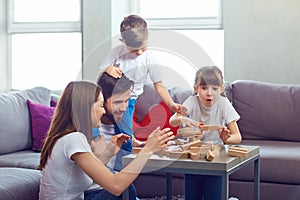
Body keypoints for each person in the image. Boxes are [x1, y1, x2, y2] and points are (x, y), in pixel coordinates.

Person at [38, 80, 174, 200]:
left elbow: (86, 175)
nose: (103, 112)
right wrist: (148, 149)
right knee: (126, 189)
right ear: (86, 107)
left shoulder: (67, 137)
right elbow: (116, 186)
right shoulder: (74, 139)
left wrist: (109, 152)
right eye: (101, 105)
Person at [98, 14, 187, 171]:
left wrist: (171, 104)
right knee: (111, 134)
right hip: (107, 100)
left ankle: (120, 171)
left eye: (143, 48)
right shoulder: (116, 52)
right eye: (133, 49)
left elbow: (159, 86)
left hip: (128, 101)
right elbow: (101, 71)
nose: (139, 52)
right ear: (122, 41)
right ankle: (114, 166)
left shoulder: (150, 58)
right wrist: (107, 68)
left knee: (124, 137)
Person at [169, 66, 242, 200]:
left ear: (221, 89)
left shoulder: (223, 103)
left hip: (215, 160)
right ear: (196, 89)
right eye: (204, 88)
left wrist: (226, 139)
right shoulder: (192, 101)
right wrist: (182, 117)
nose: (209, 93)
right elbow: (172, 121)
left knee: (212, 195)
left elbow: (237, 137)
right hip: (194, 159)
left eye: (214, 88)